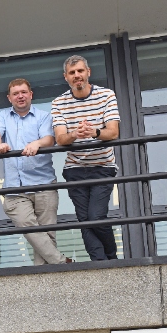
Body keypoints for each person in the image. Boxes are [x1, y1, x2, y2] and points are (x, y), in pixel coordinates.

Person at [0, 78, 72, 265]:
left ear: (31, 94)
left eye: (24, 92)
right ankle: (61, 263)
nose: (20, 96)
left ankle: (42, 279)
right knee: (27, 225)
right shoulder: (2, 116)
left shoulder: (43, 116)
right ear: (9, 98)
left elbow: (49, 139)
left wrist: (37, 143)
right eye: (16, 93)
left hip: (43, 184)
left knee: (47, 235)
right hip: (15, 188)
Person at [52, 55, 120, 261]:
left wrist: (94, 132)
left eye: (80, 71)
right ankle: (99, 263)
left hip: (102, 166)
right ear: (66, 77)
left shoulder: (106, 95)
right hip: (75, 169)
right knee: (84, 220)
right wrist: (75, 134)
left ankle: (111, 257)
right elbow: (60, 138)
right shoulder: (59, 103)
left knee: (96, 217)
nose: (77, 76)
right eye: (72, 73)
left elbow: (113, 132)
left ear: (88, 72)